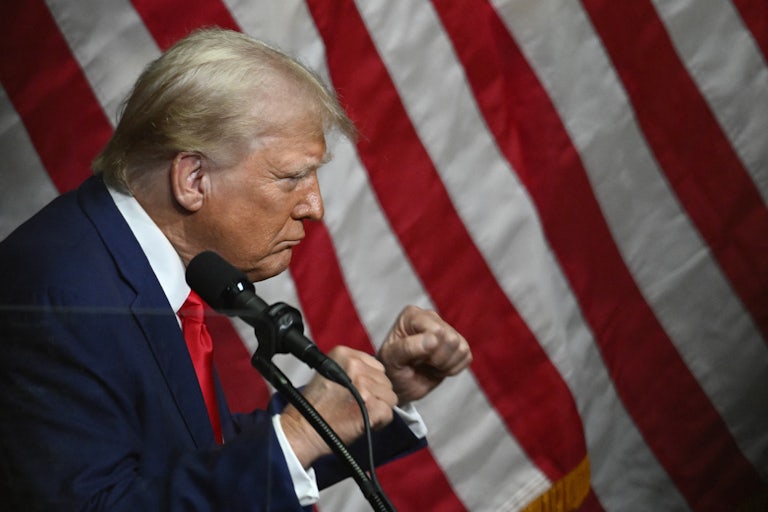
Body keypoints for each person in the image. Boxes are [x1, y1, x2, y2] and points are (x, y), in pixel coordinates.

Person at [0, 28, 472, 511]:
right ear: (193, 179)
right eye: (292, 177)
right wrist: (298, 435)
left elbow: (200, 451)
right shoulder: (52, 297)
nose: (315, 206)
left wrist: (372, 393)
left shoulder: (148, 260)